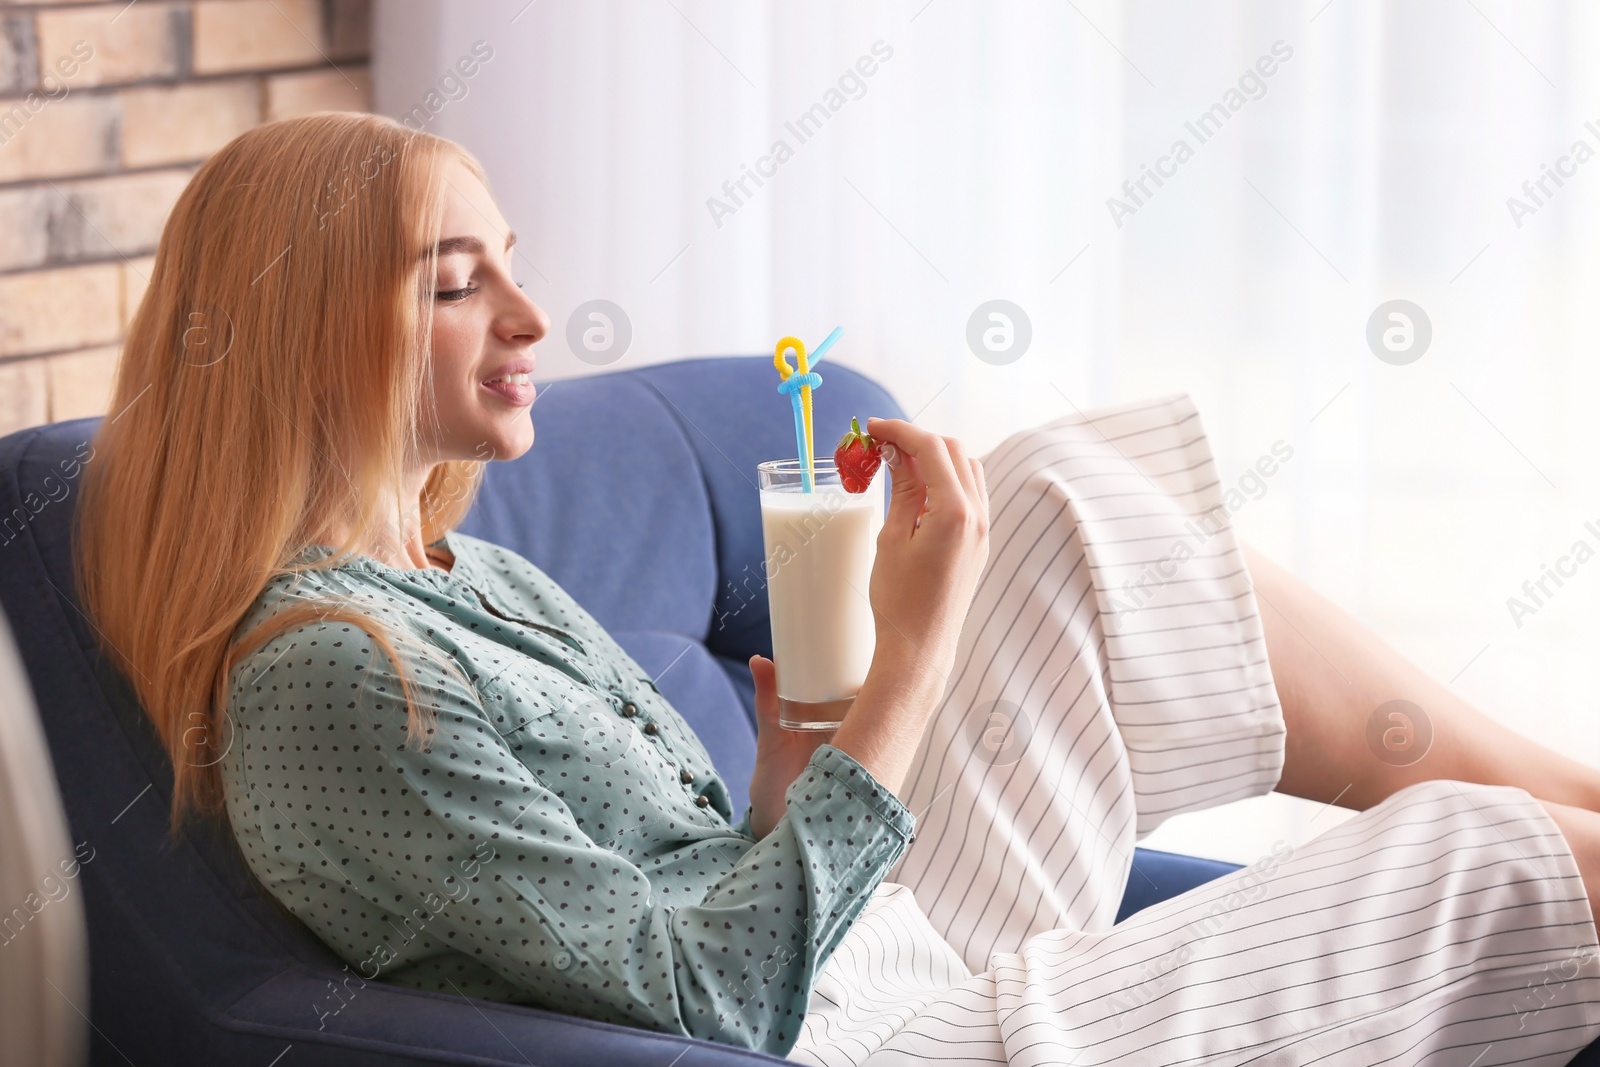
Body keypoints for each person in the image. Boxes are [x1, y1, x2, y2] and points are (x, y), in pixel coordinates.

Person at [75, 112, 1600, 1065]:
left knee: (1057, 497)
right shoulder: (331, 676)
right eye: (456, 283)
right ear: (300, 337)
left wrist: (795, 771)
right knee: (1479, 858)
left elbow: (670, 903)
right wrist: (908, 666)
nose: (534, 316)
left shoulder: (463, 575)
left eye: (512, 263)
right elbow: (717, 1002)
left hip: (867, 958)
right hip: (857, 1039)